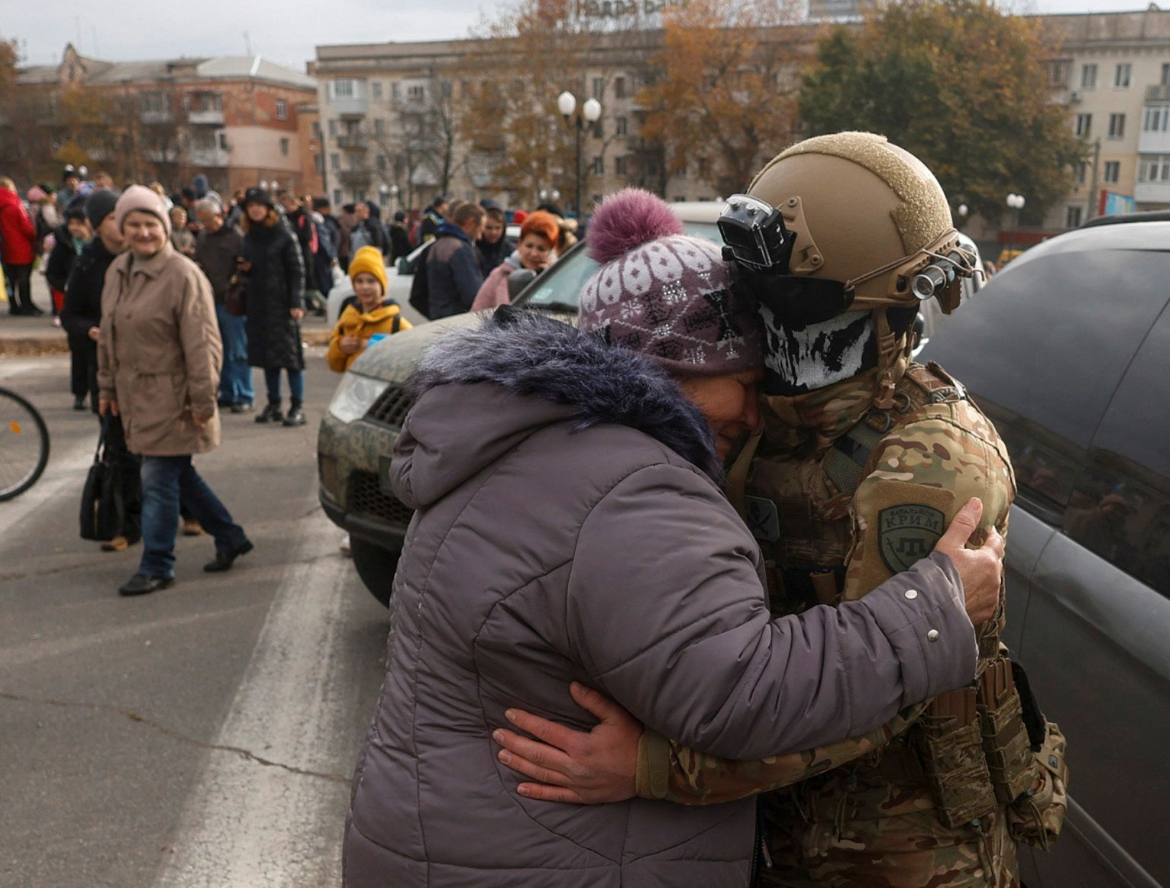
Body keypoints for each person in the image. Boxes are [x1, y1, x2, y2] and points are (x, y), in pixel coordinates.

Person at [341, 186, 1003, 887]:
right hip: (540, 856)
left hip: (454, 836)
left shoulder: (528, 434)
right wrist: (936, 611)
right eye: (741, 381)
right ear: (669, 366)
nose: (756, 412)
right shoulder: (633, 492)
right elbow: (741, 692)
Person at [496, 137, 1067, 887]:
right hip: (770, 820)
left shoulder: (925, 459)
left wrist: (656, 767)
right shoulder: (763, 416)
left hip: (904, 853)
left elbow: (880, 692)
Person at [97, 186, 252, 596]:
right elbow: (108, 336)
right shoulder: (117, 271)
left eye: (150, 224)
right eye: (134, 224)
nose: (143, 232)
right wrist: (106, 385)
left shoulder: (184, 275)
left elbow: (204, 345)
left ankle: (157, 564)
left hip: (175, 399)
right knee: (177, 475)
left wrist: (203, 400)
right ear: (122, 228)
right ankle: (230, 536)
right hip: (134, 398)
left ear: (165, 227)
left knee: (158, 479)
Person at [61, 188, 143, 552]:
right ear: (97, 226)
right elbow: (70, 315)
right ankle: (126, 525)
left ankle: (187, 511)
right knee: (119, 448)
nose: (122, 225)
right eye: (113, 218)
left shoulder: (144, 254)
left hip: (148, 367)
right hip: (107, 368)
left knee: (163, 451)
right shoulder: (88, 262)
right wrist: (88, 330)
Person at [237, 187, 307, 427]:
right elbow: (250, 269)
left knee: (291, 358)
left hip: (283, 305)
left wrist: (297, 302)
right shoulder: (249, 237)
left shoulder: (285, 235)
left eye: (260, 205)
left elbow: (297, 270)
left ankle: (297, 406)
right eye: (251, 206)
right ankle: (274, 403)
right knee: (267, 358)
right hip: (258, 304)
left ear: (268, 209)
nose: (255, 209)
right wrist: (245, 269)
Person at [193, 197, 253, 413]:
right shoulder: (203, 237)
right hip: (210, 300)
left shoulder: (236, 237)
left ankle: (244, 393)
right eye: (202, 222)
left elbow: (246, 267)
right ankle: (227, 391)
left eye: (208, 221)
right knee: (219, 350)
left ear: (219, 216)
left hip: (232, 300)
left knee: (238, 350)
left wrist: (237, 284)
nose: (206, 226)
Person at [326, 246, 410, 373]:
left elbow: (412, 359)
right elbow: (334, 365)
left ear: (381, 285)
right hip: (352, 389)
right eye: (359, 281)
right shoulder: (347, 319)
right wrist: (340, 346)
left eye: (371, 281)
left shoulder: (395, 323)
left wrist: (377, 347)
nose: (365, 287)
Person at [469, 210, 555, 311]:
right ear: (519, 245)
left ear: (550, 251)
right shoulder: (499, 275)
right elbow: (476, 312)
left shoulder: (557, 279)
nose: (534, 253)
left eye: (541, 249)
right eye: (529, 246)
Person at [45, 200, 89, 382]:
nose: (74, 228)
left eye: (78, 224)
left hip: (95, 301)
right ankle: (79, 390)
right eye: (71, 224)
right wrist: (64, 285)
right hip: (72, 302)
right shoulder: (63, 245)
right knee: (77, 346)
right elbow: (52, 273)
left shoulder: (95, 245)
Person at [421, 201, 484, 318]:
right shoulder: (460, 249)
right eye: (480, 229)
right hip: (457, 320)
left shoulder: (436, 245)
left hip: (438, 318)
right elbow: (472, 294)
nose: (479, 236)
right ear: (470, 223)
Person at [0, 177, 38, 316]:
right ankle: (26, 305)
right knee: (24, 279)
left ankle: (13, 305)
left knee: (10, 279)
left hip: (5, 247)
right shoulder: (15, 204)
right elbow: (27, 228)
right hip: (21, 247)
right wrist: (34, 236)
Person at [474, 204, 515, 275]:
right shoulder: (474, 249)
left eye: (497, 228)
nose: (493, 232)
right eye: (488, 228)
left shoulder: (510, 251)